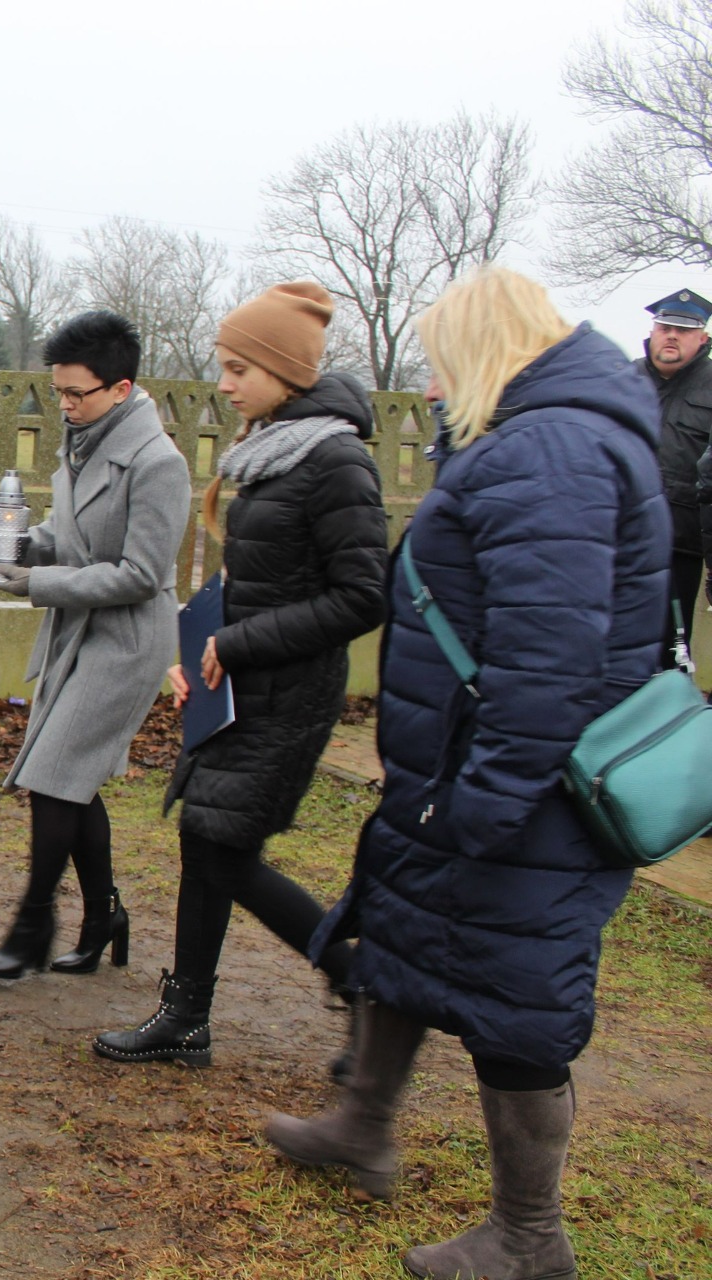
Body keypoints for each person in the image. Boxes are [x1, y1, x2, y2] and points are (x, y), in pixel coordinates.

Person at [263, 268, 668, 1280]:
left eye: (442, 365)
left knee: (516, 1000)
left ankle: (530, 1237)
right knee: (405, 936)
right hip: (468, 776)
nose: (433, 388)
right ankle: (362, 1126)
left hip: (520, 797)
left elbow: (547, 661)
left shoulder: (552, 452)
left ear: (487, 351)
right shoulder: (541, 439)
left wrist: (483, 802)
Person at [95, 281, 386, 1067]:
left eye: (238, 369)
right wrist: (199, 647)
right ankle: (185, 1017)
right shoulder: (273, 448)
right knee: (205, 841)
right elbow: (256, 575)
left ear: (284, 370)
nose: (223, 384)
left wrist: (243, 643)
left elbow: (364, 596)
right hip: (237, 689)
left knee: (224, 852)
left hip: (287, 697)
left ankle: (361, 981)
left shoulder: (336, 461)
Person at [0, 311, 190, 979]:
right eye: (58, 393)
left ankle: (32, 925)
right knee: (70, 780)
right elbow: (72, 539)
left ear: (121, 388)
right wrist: (21, 546)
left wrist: (38, 582)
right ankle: (103, 917)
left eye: (77, 393)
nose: (65, 406)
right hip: (78, 630)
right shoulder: (84, 443)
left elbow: (141, 574)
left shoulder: (157, 463)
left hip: (128, 640)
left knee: (53, 777)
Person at [636, 288, 712, 657]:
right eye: (665, 327)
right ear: (652, 331)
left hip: (684, 544)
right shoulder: (622, 380)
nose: (671, 336)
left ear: (703, 339)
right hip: (619, 536)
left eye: (683, 330)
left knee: (673, 654)